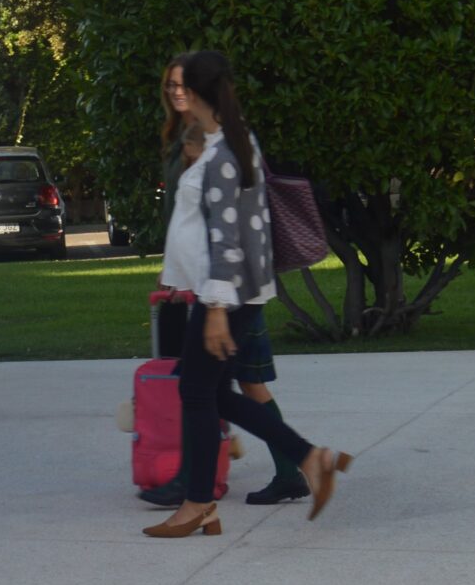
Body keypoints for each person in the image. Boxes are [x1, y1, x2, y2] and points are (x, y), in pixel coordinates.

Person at [144, 50, 350, 540]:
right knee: (210, 393)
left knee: (196, 392)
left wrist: (215, 310)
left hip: (225, 296)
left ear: (199, 92)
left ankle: (198, 503)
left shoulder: (223, 154)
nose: (175, 93)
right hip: (227, 292)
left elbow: (228, 237)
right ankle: (308, 458)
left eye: (182, 86)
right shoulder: (226, 141)